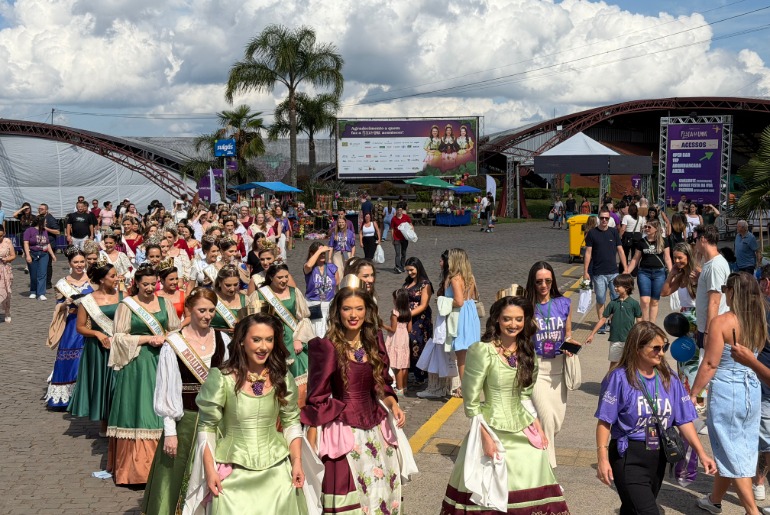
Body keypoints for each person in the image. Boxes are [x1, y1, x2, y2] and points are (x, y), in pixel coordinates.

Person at [441, 296, 570, 514]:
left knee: (537, 464)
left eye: (519, 319)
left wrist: (536, 424)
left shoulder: (528, 352)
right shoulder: (482, 351)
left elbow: (525, 395)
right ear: (497, 320)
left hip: (522, 426)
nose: (513, 324)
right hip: (490, 427)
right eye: (507, 319)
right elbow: (471, 403)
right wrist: (485, 438)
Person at [302, 278, 412, 514]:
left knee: (381, 492)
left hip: (375, 426)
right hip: (342, 428)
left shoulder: (374, 340)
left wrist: (393, 405)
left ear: (367, 311)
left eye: (359, 308)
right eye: (347, 308)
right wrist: (311, 440)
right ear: (337, 312)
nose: (353, 315)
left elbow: (382, 383)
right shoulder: (327, 346)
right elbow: (317, 397)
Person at [184, 312, 307, 514]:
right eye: (256, 339)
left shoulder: (282, 378)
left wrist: (297, 463)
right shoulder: (222, 378)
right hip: (233, 473)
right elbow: (207, 427)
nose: (263, 347)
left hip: (277, 472)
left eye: (269, 340)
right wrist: (210, 470)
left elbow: (291, 422)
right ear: (241, 341)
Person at [595, 322, 717, 514]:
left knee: (632, 509)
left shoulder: (670, 378)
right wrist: (602, 459)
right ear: (637, 348)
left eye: (664, 347)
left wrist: (701, 453)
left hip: (659, 455)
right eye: (656, 348)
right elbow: (604, 421)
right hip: (628, 455)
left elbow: (684, 420)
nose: (662, 353)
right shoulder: (618, 378)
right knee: (649, 511)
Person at [141, 288, 230, 515]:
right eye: (201, 310)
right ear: (189, 309)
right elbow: (166, 390)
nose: (207, 315)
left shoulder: (223, 339)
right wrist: (169, 431)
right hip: (185, 422)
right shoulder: (174, 344)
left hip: (217, 421)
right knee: (176, 477)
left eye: (211, 310)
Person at [690, 272, 767, 515]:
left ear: (733, 292)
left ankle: (751, 511)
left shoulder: (722, 322)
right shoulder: (759, 320)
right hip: (752, 389)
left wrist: (693, 393)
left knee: (732, 452)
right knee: (736, 447)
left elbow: (710, 364)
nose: (724, 293)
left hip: (727, 390)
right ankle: (714, 500)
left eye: (726, 289)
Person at [107, 264, 181, 485]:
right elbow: (118, 338)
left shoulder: (165, 303)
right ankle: (135, 469)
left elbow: (176, 330)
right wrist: (147, 339)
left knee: (162, 407)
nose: (149, 288)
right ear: (136, 284)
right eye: (145, 284)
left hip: (163, 361)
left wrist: (167, 337)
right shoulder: (127, 306)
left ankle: (163, 466)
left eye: (153, 284)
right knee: (140, 408)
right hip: (137, 365)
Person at [525, 260, 578, 469]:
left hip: (559, 368)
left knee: (555, 423)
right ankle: (548, 475)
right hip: (536, 368)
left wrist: (570, 346)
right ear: (533, 283)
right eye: (539, 282)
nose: (544, 286)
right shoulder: (526, 306)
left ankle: (532, 458)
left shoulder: (564, 303)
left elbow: (568, 335)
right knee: (546, 420)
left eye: (548, 281)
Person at [248, 263, 314, 404]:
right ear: (271, 277)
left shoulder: (294, 292)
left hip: (293, 338)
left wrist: (299, 339)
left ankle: (299, 407)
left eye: (286, 276)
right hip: (271, 339)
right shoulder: (260, 294)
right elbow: (255, 322)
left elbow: (304, 318)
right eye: (280, 277)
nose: (284, 280)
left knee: (300, 372)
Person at [69, 260, 120, 434]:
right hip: (99, 349)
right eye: (112, 276)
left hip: (119, 345)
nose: (116, 278)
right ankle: (105, 424)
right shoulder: (87, 301)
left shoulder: (123, 296)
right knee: (103, 384)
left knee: (118, 385)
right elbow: (80, 327)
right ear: (101, 279)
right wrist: (97, 334)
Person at [44, 247, 93, 409]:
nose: (79, 265)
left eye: (81, 261)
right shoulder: (62, 284)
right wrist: (64, 304)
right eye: (75, 262)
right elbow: (57, 306)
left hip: (92, 324)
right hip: (72, 324)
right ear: (70, 263)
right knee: (70, 358)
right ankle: (67, 396)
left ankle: (90, 396)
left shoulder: (93, 280)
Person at [660, 243, 704, 405]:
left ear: (688, 256)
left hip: (697, 319)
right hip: (684, 322)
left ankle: (697, 400)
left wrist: (698, 280)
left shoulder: (698, 272)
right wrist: (671, 274)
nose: (677, 261)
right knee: (684, 359)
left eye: (680, 257)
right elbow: (664, 292)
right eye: (675, 258)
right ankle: (687, 397)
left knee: (696, 361)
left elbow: (707, 296)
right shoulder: (680, 276)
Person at [584, 208, 628, 334]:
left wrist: (625, 268)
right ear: (598, 218)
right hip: (598, 273)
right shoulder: (592, 233)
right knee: (600, 299)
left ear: (610, 219)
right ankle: (602, 323)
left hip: (613, 272)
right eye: (602, 218)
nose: (604, 220)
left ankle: (613, 322)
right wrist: (585, 271)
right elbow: (588, 253)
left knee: (616, 298)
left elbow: (620, 250)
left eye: (607, 218)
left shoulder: (614, 232)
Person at [445, 248, 481, 396]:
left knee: (462, 356)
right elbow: (472, 296)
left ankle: (465, 388)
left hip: (461, 316)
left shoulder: (455, 278)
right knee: (470, 354)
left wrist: (445, 302)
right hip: (471, 313)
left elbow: (459, 301)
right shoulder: (470, 277)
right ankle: (471, 385)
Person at [586, 274, 642, 368]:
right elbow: (603, 319)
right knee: (614, 363)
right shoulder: (613, 303)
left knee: (630, 363)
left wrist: (641, 336)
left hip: (630, 339)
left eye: (617, 286)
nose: (615, 288)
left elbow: (640, 322)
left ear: (627, 287)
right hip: (615, 339)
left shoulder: (634, 304)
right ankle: (611, 381)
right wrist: (592, 334)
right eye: (614, 285)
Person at [627, 219, 672, 323]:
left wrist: (671, 273)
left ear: (656, 229)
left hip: (659, 273)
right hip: (644, 272)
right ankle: (644, 323)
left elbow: (667, 258)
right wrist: (627, 272)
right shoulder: (642, 242)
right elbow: (635, 259)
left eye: (649, 227)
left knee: (655, 301)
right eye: (645, 226)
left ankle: (652, 324)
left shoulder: (664, 241)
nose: (646, 229)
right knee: (645, 300)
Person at [694, 225, 731, 350]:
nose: (695, 244)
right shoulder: (710, 263)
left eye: (696, 240)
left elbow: (714, 301)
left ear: (703, 239)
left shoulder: (715, 266)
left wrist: (708, 332)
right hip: (707, 326)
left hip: (712, 329)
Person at [403, 257, 434, 385]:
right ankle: (412, 371)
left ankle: (421, 375)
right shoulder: (407, 283)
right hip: (407, 318)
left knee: (419, 344)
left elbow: (424, 305)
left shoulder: (425, 284)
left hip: (420, 319)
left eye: (411, 270)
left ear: (418, 268)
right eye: (407, 270)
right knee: (407, 343)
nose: (409, 273)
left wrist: (408, 314)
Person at [303, 242, 340, 338]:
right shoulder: (309, 268)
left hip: (329, 304)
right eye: (320, 253)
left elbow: (337, 283)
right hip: (313, 304)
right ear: (312, 254)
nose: (323, 255)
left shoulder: (332, 267)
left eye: (324, 253)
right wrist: (319, 250)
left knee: (328, 333)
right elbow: (309, 265)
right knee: (315, 333)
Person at [382, 288, 412, 395]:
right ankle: (405, 386)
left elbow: (392, 329)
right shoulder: (408, 312)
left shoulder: (395, 313)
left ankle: (399, 389)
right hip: (404, 338)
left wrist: (383, 325)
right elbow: (409, 329)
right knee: (404, 364)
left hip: (396, 339)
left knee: (398, 365)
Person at [24, 215, 57, 300]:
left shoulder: (44, 231)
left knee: (42, 274)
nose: (46, 223)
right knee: (34, 274)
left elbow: (47, 243)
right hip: (33, 253)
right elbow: (26, 243)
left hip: (44, 254)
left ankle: (41, 293)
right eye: (45, 221)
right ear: (40, 222)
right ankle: (33, 291)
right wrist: (27, 255)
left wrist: (52, 255)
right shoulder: (29, 230)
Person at [211, 265, 247, 332]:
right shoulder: (210, 298)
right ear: (219, 283)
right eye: (228, 285)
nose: (232, 289)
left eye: (236, 284)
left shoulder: (245, 299)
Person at [37, 203, 62, 289]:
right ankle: (40, 281)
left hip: (49, 244)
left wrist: (46, 228)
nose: (40, 210)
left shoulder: (50, 219)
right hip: (39, 243)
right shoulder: (38, 218)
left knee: (47, 264)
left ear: (46, 210)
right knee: (39, 263)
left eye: (42, 209)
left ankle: (48, 282)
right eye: (39, 209)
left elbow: (58, 232)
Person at [391, 202, 412, 274]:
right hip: (396, 238)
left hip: (404, 238)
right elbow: (392, 229)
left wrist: (411, 233)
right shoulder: (394, 219)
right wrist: (392, 238)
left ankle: (402, 266)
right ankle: (398, 266)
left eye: (400, 210)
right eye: (398, 210)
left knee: (404, 253)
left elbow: (410, 225)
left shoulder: (406, 217)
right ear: (396, 210)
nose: (399, 211)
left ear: (402, 210)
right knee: (397, 253)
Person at [0, 225, 16, 322]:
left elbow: (13, 255)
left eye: (1, 235)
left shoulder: (7, 241)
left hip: (5, 269)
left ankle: (7, 311)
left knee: (6, 292)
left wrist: (6, 259)